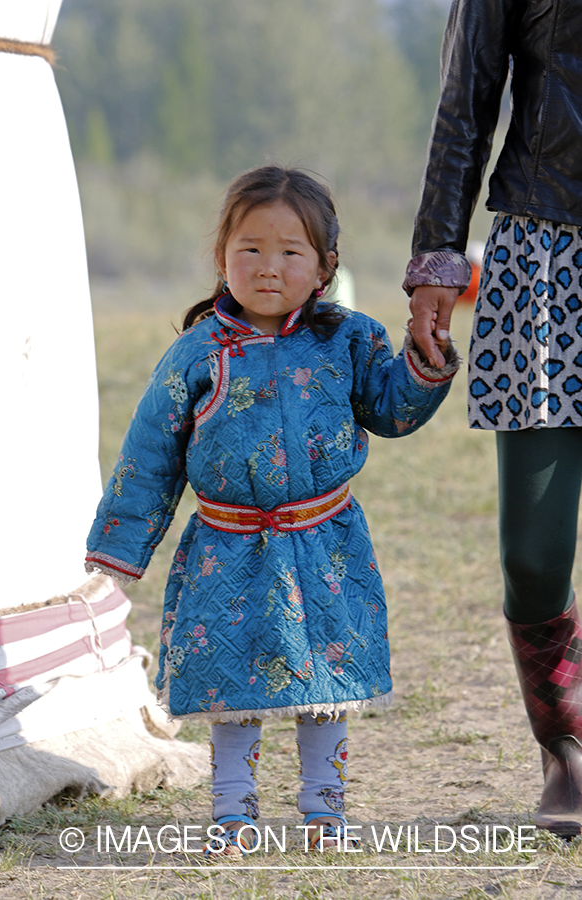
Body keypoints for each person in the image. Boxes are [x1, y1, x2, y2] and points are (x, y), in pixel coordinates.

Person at [86, 165, 459, 856]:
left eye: (291, 252)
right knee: (234, 687)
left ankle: (325, 814)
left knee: (326, 684)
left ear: (325, 266)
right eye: (249, 249)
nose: (267, 267)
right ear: (222, 256)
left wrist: (424, 362)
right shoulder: (194, 355)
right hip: (228, 548)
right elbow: (149, 456)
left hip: (328, 543)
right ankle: (233, 819)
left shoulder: (349, 340)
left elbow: (390, 408)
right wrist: (119, 551)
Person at [404, 0, 582, 837]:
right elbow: (465, 99)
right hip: (542, 255)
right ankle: (567, 751)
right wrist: (439, 256)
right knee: (534, 551)